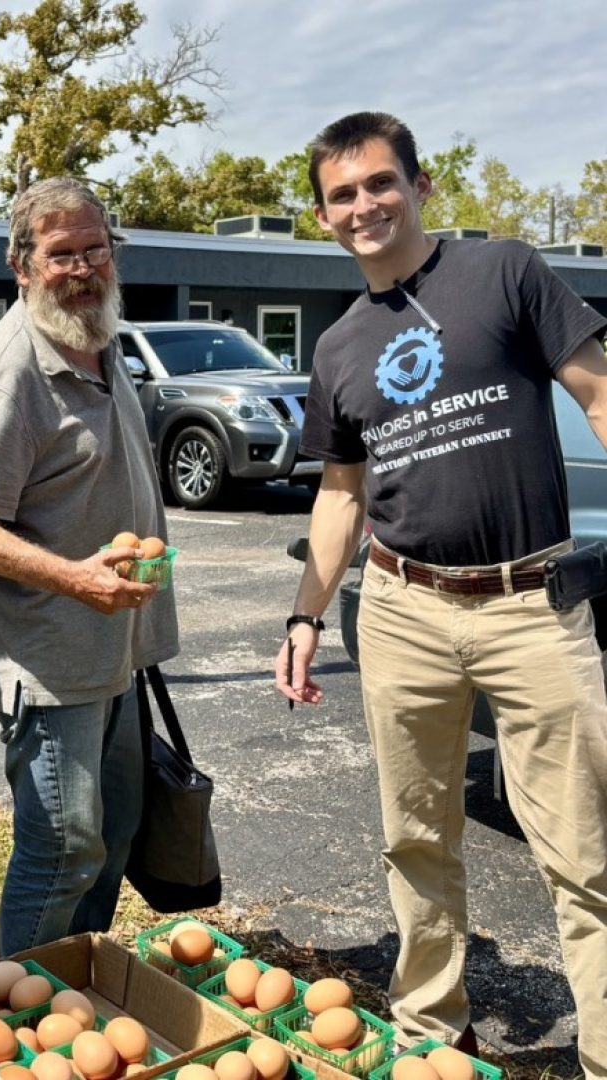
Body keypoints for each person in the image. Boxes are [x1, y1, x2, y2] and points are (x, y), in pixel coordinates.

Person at [274, 111, 607, 1073]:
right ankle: (430, 1028)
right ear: (324, 217)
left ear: (420, 187)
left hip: (529, 603)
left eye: (381, 183)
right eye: (342, 195)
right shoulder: (339, 347)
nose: (364, 206)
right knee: (414, 836)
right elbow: (342, 493)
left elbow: (597, 392)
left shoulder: (504, 271)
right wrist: (304, 613)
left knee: (584, 853)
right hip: (403, 610)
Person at [0, 177, 179, 956]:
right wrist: (75, 578)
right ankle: (19, 1007)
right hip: (50, 660)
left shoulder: (99, 336)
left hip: (115, 651)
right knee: (64, 848)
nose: (83, 269)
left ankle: (76, 986)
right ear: (22, 266)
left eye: (95, 250)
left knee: (115, 833)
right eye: (61, 254)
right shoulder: (10, 371)